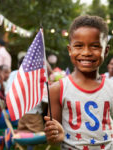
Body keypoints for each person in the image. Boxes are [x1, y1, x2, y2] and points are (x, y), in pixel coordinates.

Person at [44, 15, 113, 149]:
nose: (86, 52)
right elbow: (53, 139)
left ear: (106, 50)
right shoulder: (57, 89)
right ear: (70, 50)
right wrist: (55, 136)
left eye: (95, 46)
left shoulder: (111, 87)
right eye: (79, 46)